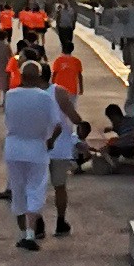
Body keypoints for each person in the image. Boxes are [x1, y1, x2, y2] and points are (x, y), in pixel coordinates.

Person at [2, 60, 60, 249]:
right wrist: (50, 141)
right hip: (36, 147)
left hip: (13, 147)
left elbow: (7, 119)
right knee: (35, 188)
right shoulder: (44, 97)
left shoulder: (10, 96)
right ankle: (30, 233)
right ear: (38, 77)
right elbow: (57, 125)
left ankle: (23, 233)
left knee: (18, 189)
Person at [47, 75, 83, 237]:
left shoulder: (27, 93)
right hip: (60, 147)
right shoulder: (59, 92)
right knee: (60, 187)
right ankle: (60, 222)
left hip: (39, 146)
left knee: (36, 187)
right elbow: (75, 118)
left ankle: (37, 223)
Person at [50, 35, 84, 102]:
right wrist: (81, 88)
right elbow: (79, 75)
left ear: (62, 49)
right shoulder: (77, 61)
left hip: (59, 89)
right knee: (71, 108)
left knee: (58, 107)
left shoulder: (58, 60)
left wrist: (51, 86)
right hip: (72, 89)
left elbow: (54, 74)